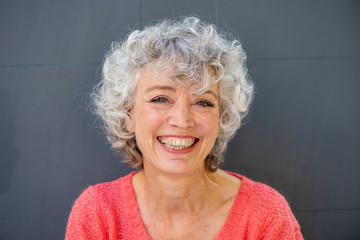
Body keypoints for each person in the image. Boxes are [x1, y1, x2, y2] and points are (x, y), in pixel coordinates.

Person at [65, 17, 303, 239]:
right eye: (160, 99)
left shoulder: (266, 216)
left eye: (202, 102)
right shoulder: (97, 215)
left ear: (222, 118)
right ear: (128, 114)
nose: (182, 120)